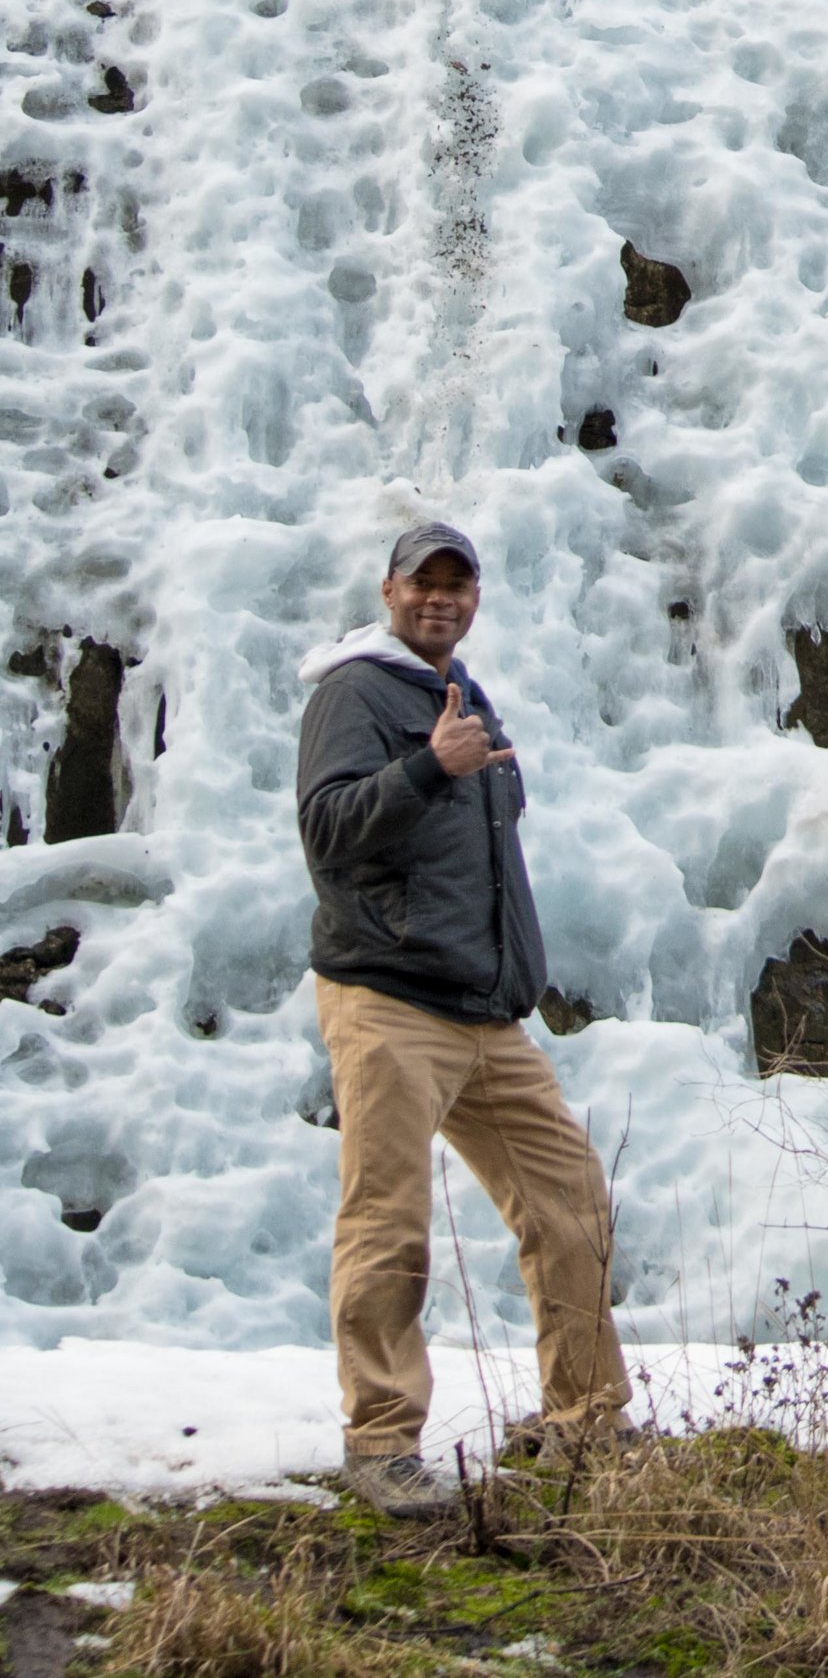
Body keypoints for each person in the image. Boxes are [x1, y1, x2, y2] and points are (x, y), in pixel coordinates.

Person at [296, 520, 630, 1515]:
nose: (440, 596)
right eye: (422, 581)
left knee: (571, 1202)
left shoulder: (459, 689)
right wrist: (427, 767)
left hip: (484, 1012)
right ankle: (383, 1439)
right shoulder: (353, 690)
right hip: (390, 997)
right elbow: (325, 828)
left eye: (458, 581)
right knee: (389, 1221)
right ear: (389, 587)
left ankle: (585, 1423)